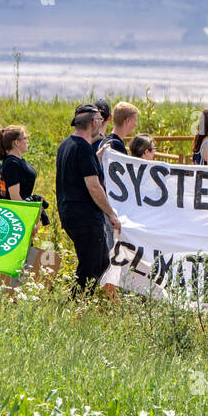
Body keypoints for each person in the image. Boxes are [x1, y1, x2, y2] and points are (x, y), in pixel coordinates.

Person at [56, 103, 120, 296]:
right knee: (90, 267)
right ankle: (76, 306)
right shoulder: (83, 148)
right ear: (93, 123)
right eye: (99, 120)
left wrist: (96, 158)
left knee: (101, 263)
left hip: (70, 214)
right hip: (85, 217)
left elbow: (77, 171)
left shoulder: (66, 144)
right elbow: (93, 185)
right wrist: (111, 213)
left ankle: (93, 305)